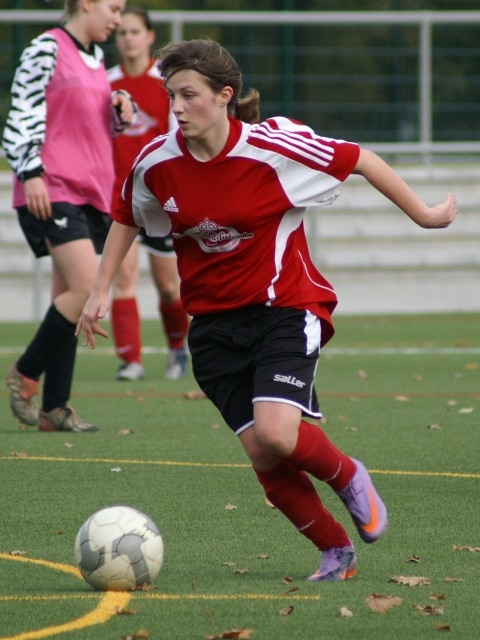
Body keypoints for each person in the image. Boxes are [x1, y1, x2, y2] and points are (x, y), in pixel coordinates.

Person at [76, 39, 457, 579]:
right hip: (212, 326)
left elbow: (361, 160)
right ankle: (336, 551)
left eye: (189, 95)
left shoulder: (273, 147)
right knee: (263, 453)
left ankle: (348, 475)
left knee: (278, 432)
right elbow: (127, 215)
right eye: (171, 96)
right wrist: (98, 290)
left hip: (285, 308)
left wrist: (424, 215)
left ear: (224, 96)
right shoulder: (157, 162)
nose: (177, 107)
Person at [2, 0, 136, 432]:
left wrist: (119, 109)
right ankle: (24, 372)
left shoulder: (95, 58)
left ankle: (54, 409)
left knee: (71, 297)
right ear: (86, 3)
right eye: (113, 8)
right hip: (53, 184)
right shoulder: (47, 48)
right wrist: (30, 173)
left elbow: (84, 125)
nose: (117, 19)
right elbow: (22, 111)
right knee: (85, 289)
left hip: (90, 190)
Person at [107, 7, 190, 382]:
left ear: (150, 37)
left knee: (169, 287)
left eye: (135, 31)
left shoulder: (166, 83)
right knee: (123, 277)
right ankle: (131, 361)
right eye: (122, 32)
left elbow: (179, 139)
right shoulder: (105, 83)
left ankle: (177, 349)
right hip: (119, 196)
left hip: (160, 197)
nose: (128, 38)